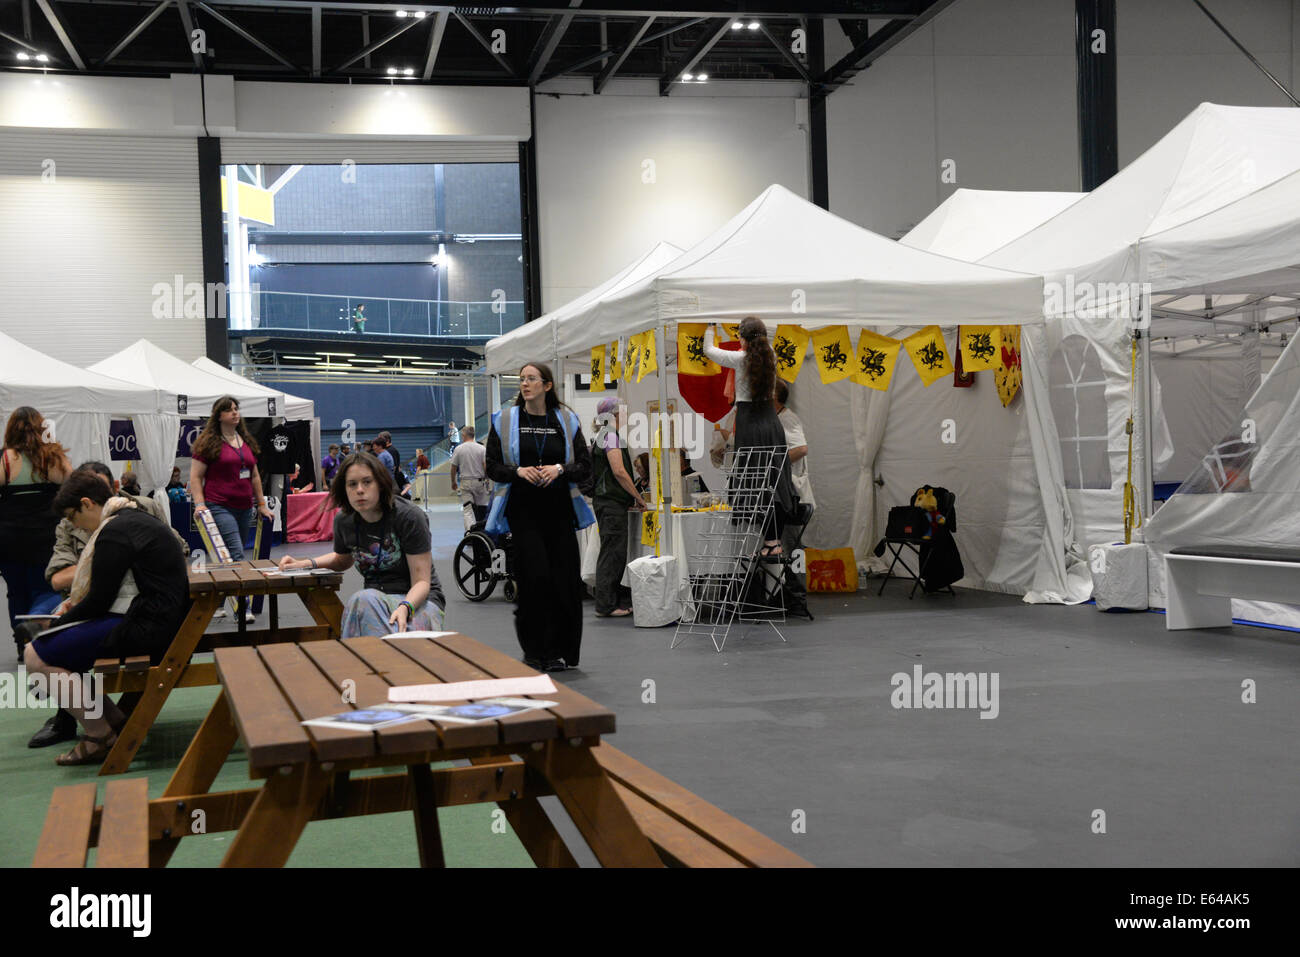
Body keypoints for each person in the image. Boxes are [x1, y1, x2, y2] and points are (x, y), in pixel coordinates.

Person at [23, 470, 189, 765]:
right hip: (160, 623)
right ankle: (115, 720)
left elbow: (99, 602)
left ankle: (99, 735)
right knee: (56, 650)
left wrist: (58, 626)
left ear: (87, 503)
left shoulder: (114, 531)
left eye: (73, 518)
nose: (77, 527)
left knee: (36, 655)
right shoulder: (132, 519)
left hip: (146, 628)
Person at [485, 362, 594, 672]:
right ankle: (536, 652)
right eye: (521, 379)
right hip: (523, 513)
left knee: (565, 582)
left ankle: (562, 652)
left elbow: (584, 466)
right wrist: (518, 471)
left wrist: (559, 469)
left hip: (560, 512)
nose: (525, 384)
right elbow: (491, 466)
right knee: (534, 580)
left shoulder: (566, 419)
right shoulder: (505, 420)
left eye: (531, 379)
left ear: (547, 386)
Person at [277, 452, 445, 638]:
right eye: (352, 484)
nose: (359, 490)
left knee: (363, 602)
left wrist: (405, 607)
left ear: (380, 484)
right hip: (374, 603)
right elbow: (343, 560)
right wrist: (303, 564)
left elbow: (422, 582)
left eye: (367, 482)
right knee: (365, 602)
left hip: (419, 602)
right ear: (344, 488)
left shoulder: (409, 517)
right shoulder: (344, 521)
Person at [703, 317, 795, 556]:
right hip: (770, 423)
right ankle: (773, 540)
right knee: (772, 479)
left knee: (753, 481)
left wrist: (710, 327)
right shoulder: (771, 356)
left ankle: (769, 541)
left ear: (742, 339)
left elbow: (709, 351)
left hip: (749, 424)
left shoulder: (740, 359)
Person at [189, 396, 275, 621]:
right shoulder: (208, 443)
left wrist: (262, 505)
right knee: (236, 553)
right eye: (229, 410)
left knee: (225, 556)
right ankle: (242, 607)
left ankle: (216, 602)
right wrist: (200, 504)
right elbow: (196, 477)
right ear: (219, 415)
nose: (235, 413)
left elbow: (255, 476)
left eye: (237, 409)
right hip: (218, 506)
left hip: (244, 507)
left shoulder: (245, 440)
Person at [0, 407, 71, 637]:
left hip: (10, 536)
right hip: (46, 535)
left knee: (16, 590)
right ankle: (37, 631)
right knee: (45, 586)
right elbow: (72, 485)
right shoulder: (53, 457)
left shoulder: (5, 459)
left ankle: (20, 638)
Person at [591, 398, 648, 618]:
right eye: (624, 411)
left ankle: (606, 602)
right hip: (611, 503)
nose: (626, 415)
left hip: (607, 501)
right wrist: (638, 497)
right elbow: (619, 471)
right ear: (614, 415)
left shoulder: (604, 436)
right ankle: (606, 605)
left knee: (610, 551)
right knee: (612, 553)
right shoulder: (611, 436)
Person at [449, 425, 491, 528]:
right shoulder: (482, 448)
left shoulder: (458, 449)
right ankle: (480, 532)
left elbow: (453, 468)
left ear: (464, 435)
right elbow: (485, 466)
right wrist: (487, 479)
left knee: (468, 510)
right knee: (482, 509)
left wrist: (453, 482)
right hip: (479, 481)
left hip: (465, 482)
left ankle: (470, 534)